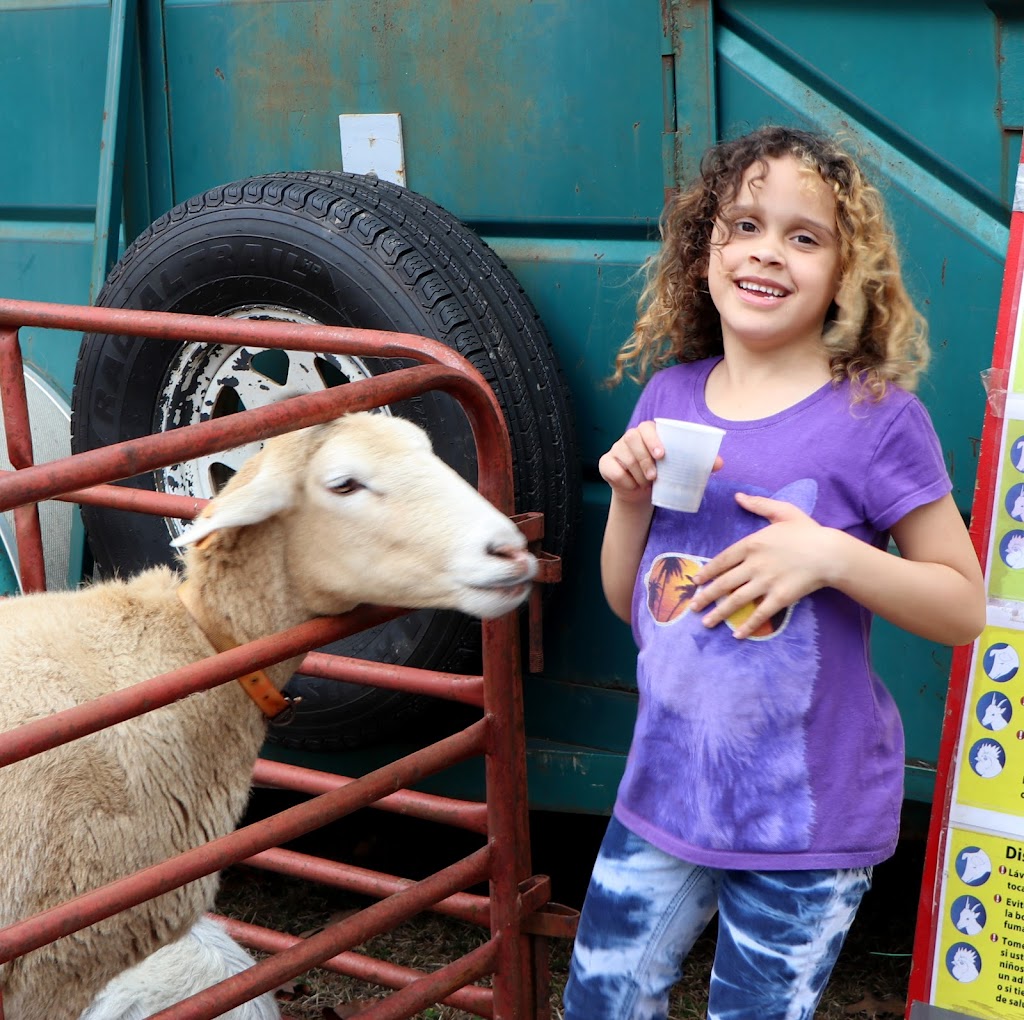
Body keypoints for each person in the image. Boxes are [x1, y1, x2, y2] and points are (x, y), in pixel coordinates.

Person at [563, 125, 986, 1020]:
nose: (767, 252)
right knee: (600, 1001)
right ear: (702, 248)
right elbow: (634, 606)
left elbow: (962, 606)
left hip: (807, 819)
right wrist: (631, 503)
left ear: (846, 271)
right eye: (744, 225)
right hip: (664, 790)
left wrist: (831, 555)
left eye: (805, 236)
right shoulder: (669, 397)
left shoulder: (875, 419)